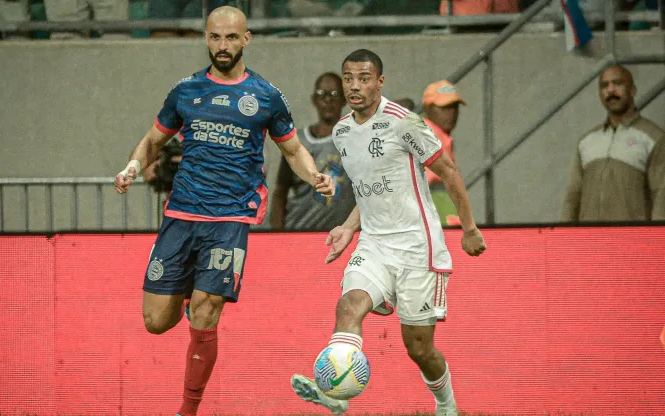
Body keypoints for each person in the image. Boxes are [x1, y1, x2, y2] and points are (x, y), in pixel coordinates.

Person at [113, 6, 335, 416]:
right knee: (155, 321)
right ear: (206, 38)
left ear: (246, 39)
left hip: (230, 219)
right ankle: (186, 293)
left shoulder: (266, 96)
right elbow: (152, 140)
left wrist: (314, 176)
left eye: (231, 38)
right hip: (181, 215)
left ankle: (188, 410)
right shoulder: (185, 91)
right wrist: (132, 165)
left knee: (206, 311)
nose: (223, 45)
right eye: (215, 37)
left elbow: (293, 149)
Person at [290, 49, 486, 416]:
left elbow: (448, 171)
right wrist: (349, 228)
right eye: (349, 78)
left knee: (419, 348)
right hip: (375, 244)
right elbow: (368, 188)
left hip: (417, 247)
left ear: (380, 82)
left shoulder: (405, 122)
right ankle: (337, 393)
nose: (354, 86)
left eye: (364, 78)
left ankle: (446, 405)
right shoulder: (343, 131)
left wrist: (470, 229)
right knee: (348, 306)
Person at [562, 65, 665, 222]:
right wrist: (564, 236)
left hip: (631, 241)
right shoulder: (587, 141)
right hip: (589, 241)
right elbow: (573, 195)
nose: (611, 90)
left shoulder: (654, 138)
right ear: (600, 94)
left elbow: (661, 194)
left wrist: (657, 241)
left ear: (632, 91)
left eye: (617, 83)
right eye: (605, 85)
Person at [270, 71, 356, 231]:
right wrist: (277, 233)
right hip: (299, 230)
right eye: (322, 94)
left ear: (344, 100)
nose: (328, 99)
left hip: (338, 235)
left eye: (335, 94)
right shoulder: (298, 142)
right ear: (314, 100)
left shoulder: (355, 139)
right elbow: (280, 192)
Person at [422, 80, 466, 226]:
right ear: (427, 108)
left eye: (454, 106)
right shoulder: (428, 135)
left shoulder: (441, 137)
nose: (451, 113)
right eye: (444, 107)